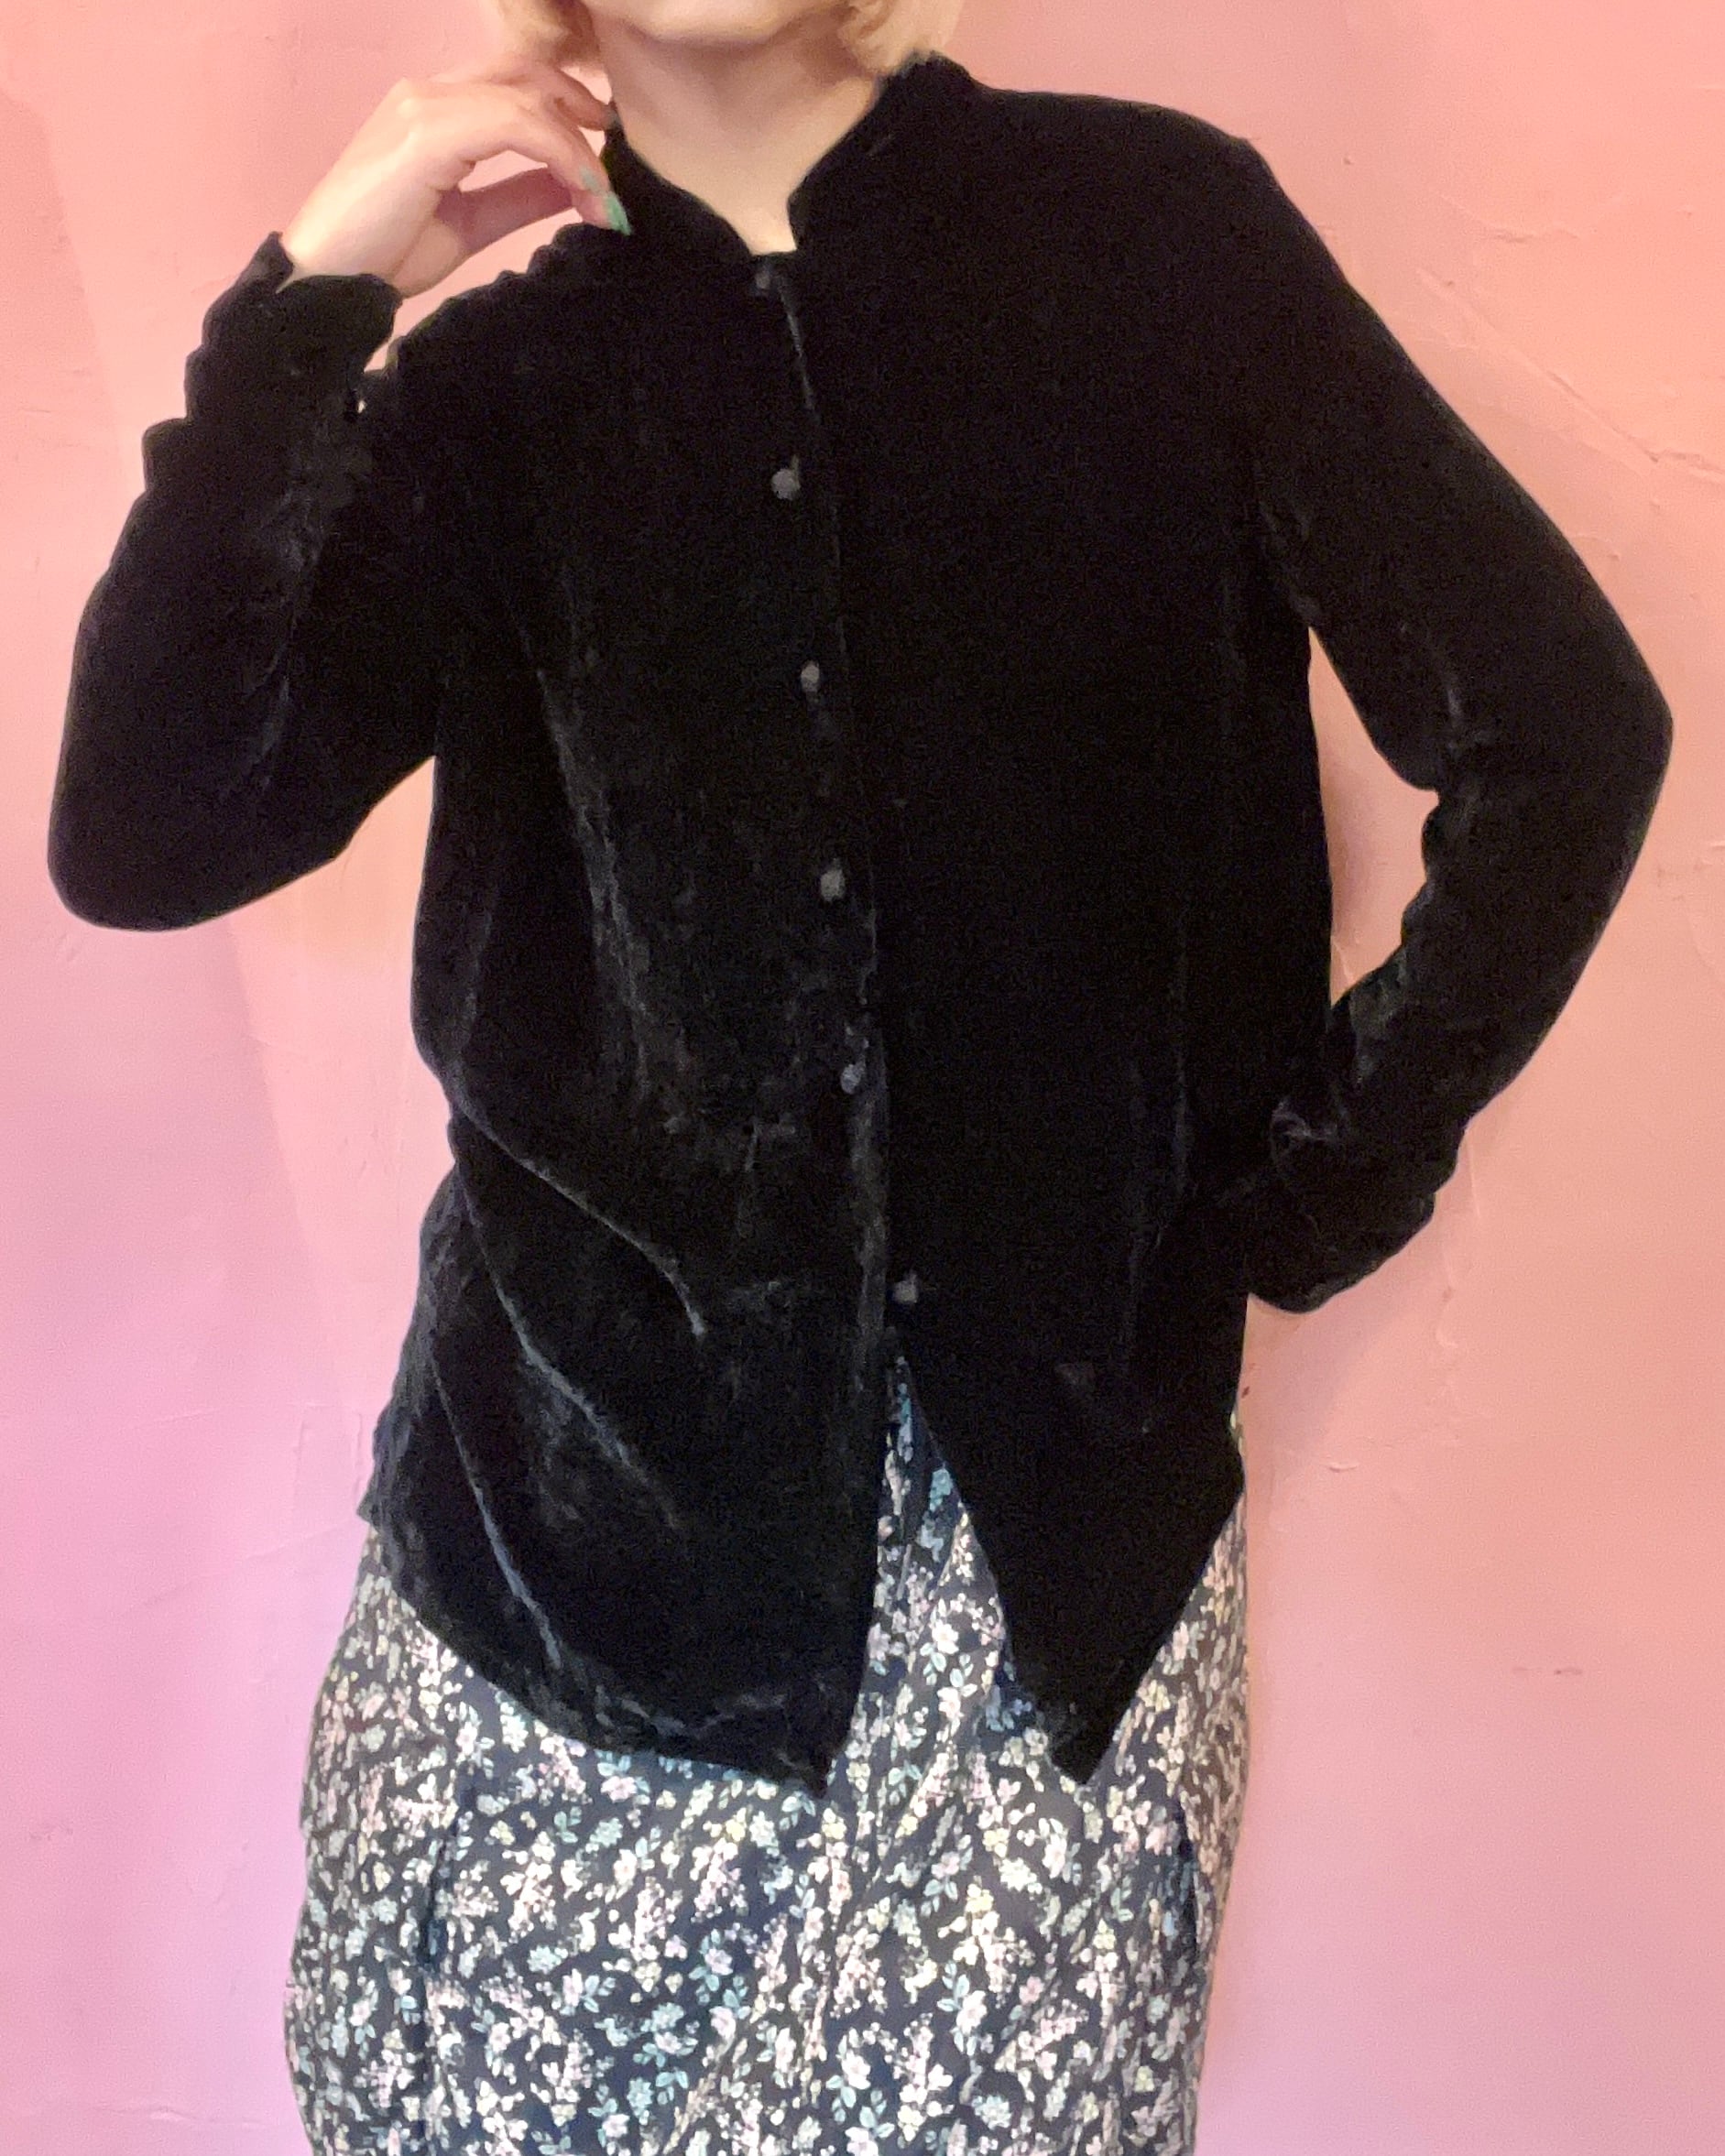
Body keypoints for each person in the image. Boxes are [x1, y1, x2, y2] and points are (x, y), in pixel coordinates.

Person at [45, 2, 1673, 2151]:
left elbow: (1563, 733)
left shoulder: (1159, 241)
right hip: (553, 1612)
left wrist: (1308, 1191)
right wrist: (309, 301)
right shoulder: (496, 390)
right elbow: (146, 830)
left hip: (1045, 1648)